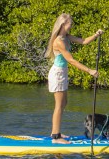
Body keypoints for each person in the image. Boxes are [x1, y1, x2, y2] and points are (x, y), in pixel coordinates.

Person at [44, 13, 103, 144]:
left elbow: (84, 41)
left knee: (64, 103)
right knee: (59, 105)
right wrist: (89, 70)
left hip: (63, 73)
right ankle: (55, 137)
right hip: (57, 74)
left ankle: (56, 132)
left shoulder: (66, 37)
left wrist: (96, 34)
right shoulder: (59, 41)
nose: (71, 25)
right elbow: (71, 60)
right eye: (70, 23)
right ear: (63, 24)